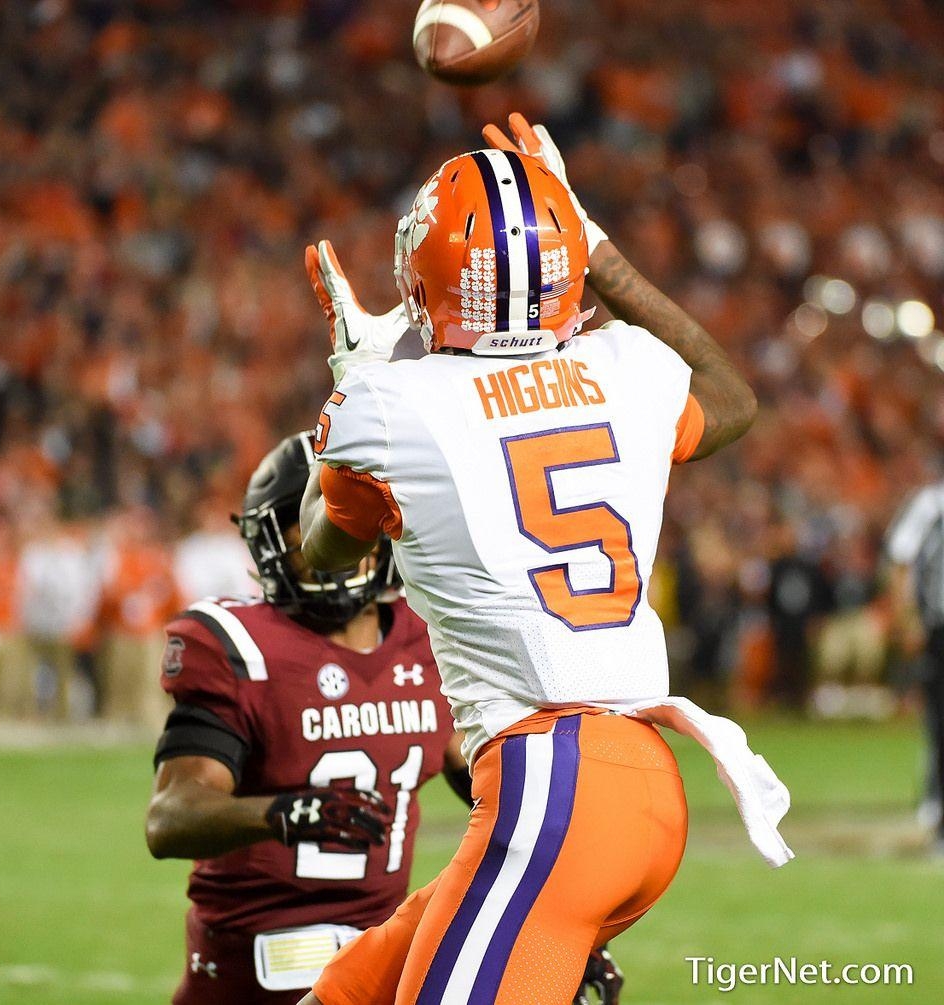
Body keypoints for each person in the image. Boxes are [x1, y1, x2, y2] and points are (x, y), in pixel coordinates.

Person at [297, 113, 792, 1005]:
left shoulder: (390, 402)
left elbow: (318, 553)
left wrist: (350, 376)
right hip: (641, 777)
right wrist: (598, 245)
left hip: (553, 784)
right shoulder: (627, 366)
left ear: (428, 274)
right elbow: (732, 396)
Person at [145, 430, 466, 1005]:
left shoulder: (427, 641)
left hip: (377, 961)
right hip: (253, 966)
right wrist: (284, 813)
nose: (331, 555)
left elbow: (503, 793)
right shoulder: (239, 646)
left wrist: (550, 932)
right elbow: (169, 819)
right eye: (310, 539)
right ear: (269, 544)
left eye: (346, 535)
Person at [884, 479, 944, 851]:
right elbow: (901, 559)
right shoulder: (932, 503)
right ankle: (936, 808)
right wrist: (907, 617)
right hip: (939, 628)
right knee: (939, 722)